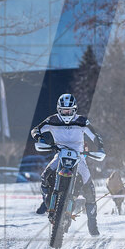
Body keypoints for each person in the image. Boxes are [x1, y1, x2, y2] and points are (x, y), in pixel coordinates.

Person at [31, 93, 105, 236]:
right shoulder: (52, 120)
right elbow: (35, 129)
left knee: (89, 187)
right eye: (64, 111)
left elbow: (95, 136)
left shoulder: (82, 121)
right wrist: (40, 138)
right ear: (59, 110)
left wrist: (100, 148)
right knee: (44, 176)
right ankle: (46, 202)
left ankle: (92, 223)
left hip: (79, 156)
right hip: (60, 154)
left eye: (69, 110)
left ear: (75, 110)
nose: (67, 113)